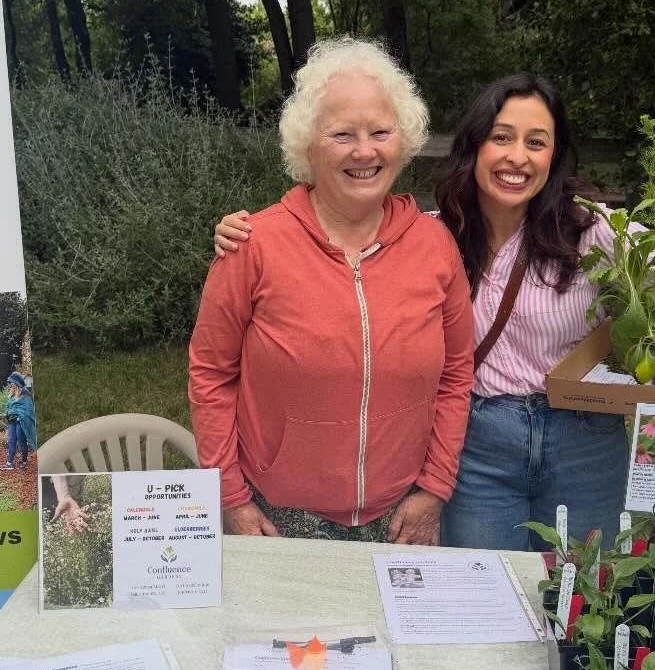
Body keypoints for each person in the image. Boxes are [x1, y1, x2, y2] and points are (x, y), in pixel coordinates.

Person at [213, 72, 655, 549]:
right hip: (479, 444)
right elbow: (342, 253)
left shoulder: (590, 234)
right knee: (483, 603)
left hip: (582, 438)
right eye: (501, 137)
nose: (516, 157)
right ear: (473, 147)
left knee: (588, 602)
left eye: (536, 141)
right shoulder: (427, 239)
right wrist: (250, 233)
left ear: (554, 156)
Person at [189, 37, 474, 545]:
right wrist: (231, 497)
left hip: (403, 514)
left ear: (401, 141)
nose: (364, 151)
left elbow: (455, 374)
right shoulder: (253, 246)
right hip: (279, 516)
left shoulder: (435, 246)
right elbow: (210, 375)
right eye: (342, 134)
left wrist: (434, 488)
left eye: (380, 132)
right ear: (309, 146)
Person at [2, 372, 36, 471]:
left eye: (12, 382)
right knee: (11, 441)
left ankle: (24, 462)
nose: (11, 385)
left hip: (21, 422)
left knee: (22, 442)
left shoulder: (25, 394)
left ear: (17, 382)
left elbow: (28, 410)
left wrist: (19, 416)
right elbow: (8, 407)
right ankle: (9, 463)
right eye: (10, 383)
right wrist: (8, 414)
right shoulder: (12, 395)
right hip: (12, 422)